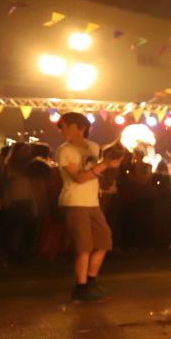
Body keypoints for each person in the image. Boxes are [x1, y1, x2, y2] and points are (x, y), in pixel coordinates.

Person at [55, 112, 115, 302]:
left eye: (63, 126)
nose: (61, 130)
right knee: (83, 246)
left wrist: (110, 165)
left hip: (92, 202)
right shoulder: (64, 151)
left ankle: (91, 282)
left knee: (104, 241)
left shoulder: (93, 147)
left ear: (77, 127)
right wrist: (103, 166)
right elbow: (79, 178)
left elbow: (94, 174)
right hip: (75, 201)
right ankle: (80, 288)